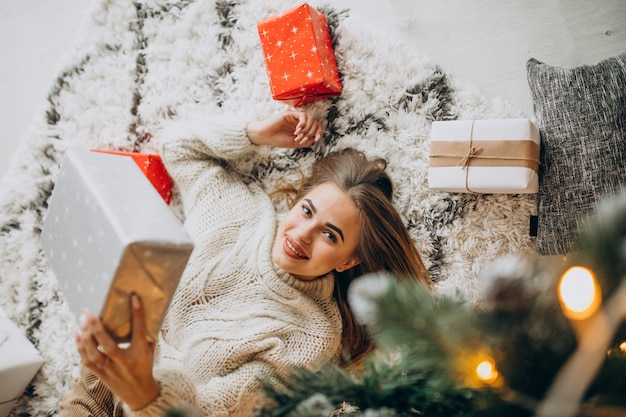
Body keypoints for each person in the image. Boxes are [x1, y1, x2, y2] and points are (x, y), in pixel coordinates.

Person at [59, 110, 432, 417]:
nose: (303, 234)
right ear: (295, 202)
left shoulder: (312, 337)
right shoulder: (236, 209)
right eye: (306, 211)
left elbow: (215, 409)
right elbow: (179, 147)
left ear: (349, 259)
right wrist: (255, 133)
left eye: (329, 235)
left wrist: (145, 391)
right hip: (101, 376)